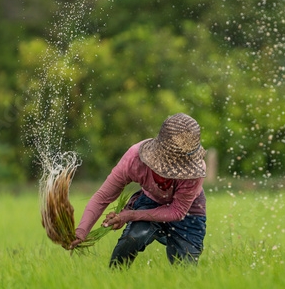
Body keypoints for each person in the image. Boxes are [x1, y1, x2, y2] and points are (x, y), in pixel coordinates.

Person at [68, 113, 207, 268]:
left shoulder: (195, 172)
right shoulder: (134, 159)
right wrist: (81, 231)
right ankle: (114, 278)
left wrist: (130, 215)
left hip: (188, 211)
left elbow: (177, 212)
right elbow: (103, 196)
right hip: (151, 201)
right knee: (132, 239)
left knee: (186, 266)